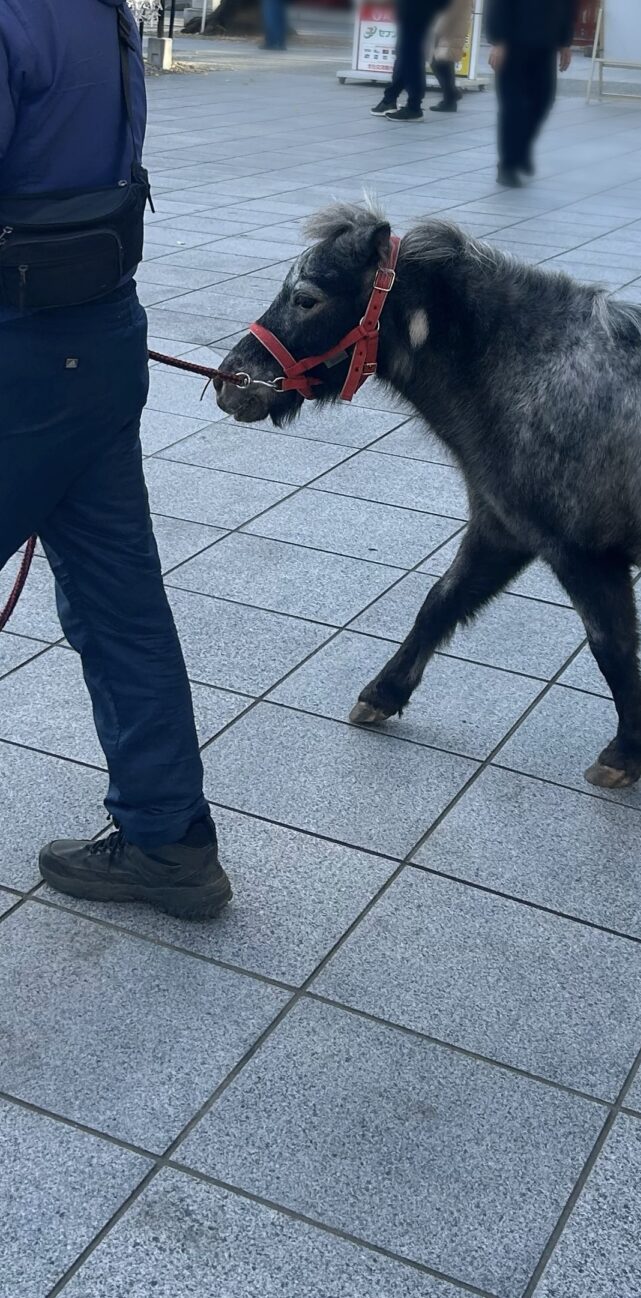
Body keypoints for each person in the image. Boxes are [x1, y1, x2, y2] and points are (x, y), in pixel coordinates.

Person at [0, 0, 230, 920]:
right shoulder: (100, 12)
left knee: (119, 604)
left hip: (18, 357)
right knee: (121, 603)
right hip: (98, 343)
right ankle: (169, 843)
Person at [485, 0, 579, 188]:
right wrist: (499, 40)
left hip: (545, 44)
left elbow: (568, 6)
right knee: (513, 106)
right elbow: (497, 4)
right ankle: (508, 165)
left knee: (544, 100)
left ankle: (520, 150)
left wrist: (565, 41)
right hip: (513, 44)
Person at [372, 0, 450, 122]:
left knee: (410, 54)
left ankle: (413, 106)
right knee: (407, 53)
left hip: (416, 7)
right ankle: (391, 99)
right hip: (419, 8)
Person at [430, 0, 473, 112]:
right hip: (453, 27)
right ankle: (450, 98)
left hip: (449, 28)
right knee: (444, 62)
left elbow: (451, 11)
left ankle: (451, 95)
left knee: (438, 62)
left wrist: (438, 29)